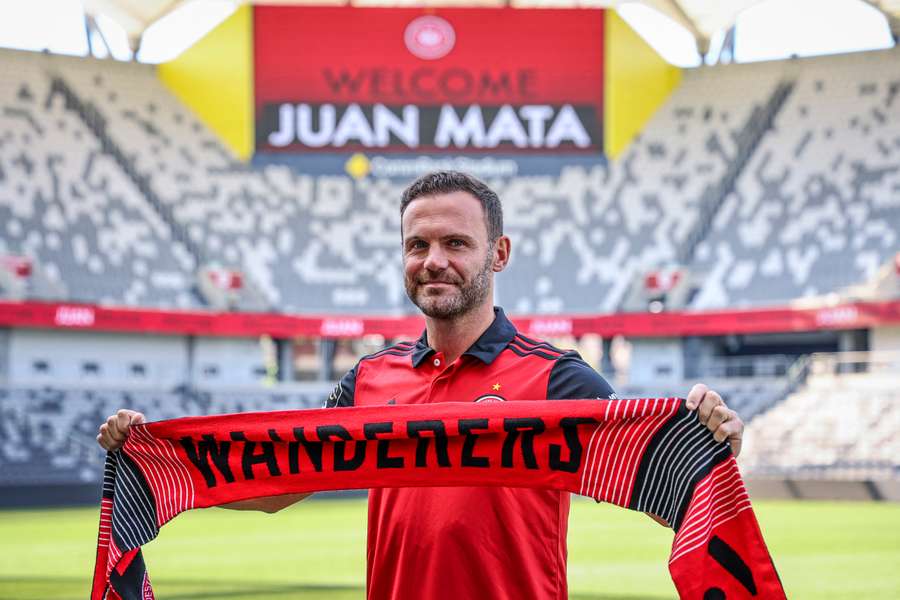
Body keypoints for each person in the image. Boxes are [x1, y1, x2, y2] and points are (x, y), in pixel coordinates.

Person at [98, 171, 744, 599]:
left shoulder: (557, 378)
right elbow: (275, 485)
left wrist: (715, 444)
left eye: (456, 242)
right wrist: (155, 454)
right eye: (418, 244)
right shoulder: (371, 379)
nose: (433, 260)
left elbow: (667, 487)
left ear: (499, 253)